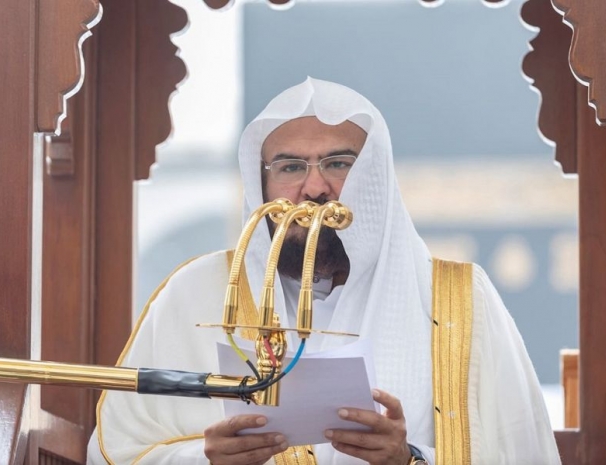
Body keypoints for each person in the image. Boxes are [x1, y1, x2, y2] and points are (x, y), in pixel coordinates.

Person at [87, 77, 561, 464]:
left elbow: (524, 454)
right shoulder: (196, 293)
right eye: (290, 167)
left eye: (338, 163)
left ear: (375, 180)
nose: (314, 189)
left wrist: (409, 459)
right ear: (261, 185)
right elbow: (118, 453)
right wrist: (206, 460)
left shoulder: (460, 299)